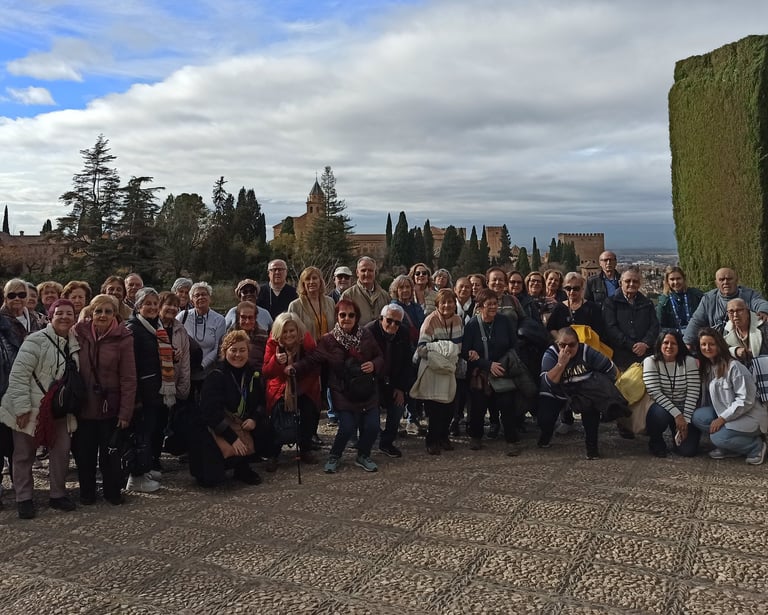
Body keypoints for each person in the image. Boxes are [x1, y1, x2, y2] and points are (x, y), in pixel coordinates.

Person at [0, 299, 80, 519]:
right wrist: (22, 408)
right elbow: (18, 376)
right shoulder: (35, 341)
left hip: (59, 409)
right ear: (50, 316)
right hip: (29, 405)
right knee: (24, 454)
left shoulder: (75, 343)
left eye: (69, 314)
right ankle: (24, 498)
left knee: (61, 452)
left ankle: (57, 493)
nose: (64, 317)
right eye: (59, 313)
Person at [291, 299, 384, 474]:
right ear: (337, 317)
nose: (347, 318)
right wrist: (294, 368)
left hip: (366, 390)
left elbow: (380, 356)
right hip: (342, 391)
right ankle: (335, 455)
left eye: (351, 315)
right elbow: (312, 358)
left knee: (372, 426)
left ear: (357, 317)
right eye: (342, 315)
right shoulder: (328, 340)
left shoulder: (366, 335)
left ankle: (363, 455)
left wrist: (374, 365)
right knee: (347, 427)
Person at [73, 294, 137, 504]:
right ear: (91, 312)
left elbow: (129, 378)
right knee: (85, 453)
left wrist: (125, 412)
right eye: (98, 311)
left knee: (110, 453)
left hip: (110, 405)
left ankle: (112, 491)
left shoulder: (123, 338)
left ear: (114, 314)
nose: (102, 315)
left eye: (108, 311)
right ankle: (87, 492)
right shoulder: (78, 332)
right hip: (83, 405)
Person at [189, 330, 265, 487]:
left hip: (242, 422)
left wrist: (254, 419)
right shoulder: (215, 376)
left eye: (242, 350)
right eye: (233, 350)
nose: (238, 355)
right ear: (225, 352)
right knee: (211, 480)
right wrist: (233, 438)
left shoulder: (252, 374)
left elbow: (261, 402)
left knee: (265, 427)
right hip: (217, 427)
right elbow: (210, 413)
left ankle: (242, 466)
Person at [538, 327, 626, 459]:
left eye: (572, 345)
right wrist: (561, 365)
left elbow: (610, 369)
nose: (567, 349)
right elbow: (547, 383)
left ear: (578, 343)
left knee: (591, 410)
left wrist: (598, 386)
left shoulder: (587, 351)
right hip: (557, 392)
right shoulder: (551, 354)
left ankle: (592, 449)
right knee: (545, 418)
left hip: (583, 391)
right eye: (562, 345)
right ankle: (545, 438)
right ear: (557, 344)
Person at [125, 288, 177, 492]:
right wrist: (135, 396)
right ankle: (136, 477)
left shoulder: (157, 327)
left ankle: (146, 469)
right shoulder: (133, 329)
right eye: (148, 303)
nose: (153, 307)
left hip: (156, 389)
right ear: (138, 306)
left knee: (152, 431)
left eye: (156, 304)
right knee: (141, 434)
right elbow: (131, 366)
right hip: (143, 391)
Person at [692, 327, 768, 464]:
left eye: (711, 344)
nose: (707, 348)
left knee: (717, 437)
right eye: (703, 344)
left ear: (719, 345)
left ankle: (756, 446)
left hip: (749, 415)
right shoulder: (708, 366)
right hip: (728, 413)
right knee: (698, 417)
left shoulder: (734, 367)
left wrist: (722, 419)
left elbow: (746, 400)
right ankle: (731, 446)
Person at [463, 288, 521, 455]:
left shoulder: (504, 321)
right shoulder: (473, 325)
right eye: (489, 304)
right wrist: (486, 365)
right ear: (480, 306)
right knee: (478, 407)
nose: (493, 307)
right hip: (481, 373)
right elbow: (466, 351)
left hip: (502, 370)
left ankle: (511, 439)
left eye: (495, 304)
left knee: (507, 405)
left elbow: (514, 345)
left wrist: (503, 364)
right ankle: (476, 436)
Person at [261, 313, 321, 470]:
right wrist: (276, 362)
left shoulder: (305, 339)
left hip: (304, 385)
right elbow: (266, 372)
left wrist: (296, 371)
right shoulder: (273, 342)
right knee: (276, 413)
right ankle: (273, 454)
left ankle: (306, 447)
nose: (288, 335)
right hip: (280, 386)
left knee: (308, 410)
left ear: (298, 330)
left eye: (291, 330)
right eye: (285, 331)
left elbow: (315, 364)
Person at [412, 288, 463, 454]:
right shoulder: (430, 321)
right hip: (433, 369)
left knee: (450, 407)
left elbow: (459, 345)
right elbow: (421, 348)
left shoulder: (457, 319)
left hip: (449, 369)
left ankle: (443, 436)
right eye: (443, 302)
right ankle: (432, 439)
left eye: (450, 302)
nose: (447, 305)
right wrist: (444, 352)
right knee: (435, 408)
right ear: (437, 305)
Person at [642, 330, 701, 457]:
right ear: (659, 344)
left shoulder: (689, 361)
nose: (669, 346)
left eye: (673, 343)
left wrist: (685, 419)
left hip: (685, 407)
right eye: (666, 343)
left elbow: (693, 391)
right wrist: (677, 415)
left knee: (687, 451)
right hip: (662, 407)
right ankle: (656, 441)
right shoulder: (650, 361)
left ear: (679, 345)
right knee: (657, 414)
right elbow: (654, 392)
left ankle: (678, 437)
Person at [367, 304, 413, 458]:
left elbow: (407, 363)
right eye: (389, 320)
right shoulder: (368, 332)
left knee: (398, 407)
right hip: (372, 381)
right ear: (381, 319)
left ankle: (386, 443)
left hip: (393, 380)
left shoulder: (404, 333)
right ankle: (363, 444)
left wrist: (401, 388)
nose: (393, 325)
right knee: (371, 419)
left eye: (397, 323)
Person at [684, 267, 768, 346]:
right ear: (716, 283)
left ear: (736, 280)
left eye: (729, 279)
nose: (725, 282)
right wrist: (687, 342)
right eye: (721, 280)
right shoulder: (708, 299)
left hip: (745, 342)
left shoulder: (749, 294)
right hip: (717, 345)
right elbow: (696, 321)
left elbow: (760, 303)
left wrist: (764, 311)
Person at [603, 267, 659, 370]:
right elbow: (611, 328)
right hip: (621, 357)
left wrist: (645, 343)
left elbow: (654, 326)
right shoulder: (611, 303)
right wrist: (631, 345)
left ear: (639, 284)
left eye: (635, 281)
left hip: (645, 355)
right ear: (620, 283)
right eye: (628, 281)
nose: (632, 284)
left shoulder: (647, 303)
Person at [389, 275, 425, 435]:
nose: (405, 290)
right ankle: (396, 422)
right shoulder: (393, 307)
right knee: (400, 387)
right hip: (400, 353)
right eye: (401, 287)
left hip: (417, 352)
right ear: (395, 290)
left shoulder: (416, 307)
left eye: (407, 287)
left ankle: (412, 419)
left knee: (414, 386)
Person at [177, 282, 227, 397]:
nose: (201, 297)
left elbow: (218, 347)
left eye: (204, 294)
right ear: (191, 300)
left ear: (210, 298)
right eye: (197, 295)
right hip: (184, 371)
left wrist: (202, 365)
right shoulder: (182, 316)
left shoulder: (219, 320)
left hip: (207, 372)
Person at [546, 272, 604, 337]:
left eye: (576, 288)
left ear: (582, 288)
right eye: (568, 288)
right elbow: (551, 328)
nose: (572, 291)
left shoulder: (592, 308)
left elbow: (598, 331)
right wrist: (561, 338)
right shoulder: (559, 308)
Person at [341, 256, 390, 326]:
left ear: (375, 273)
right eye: (363, 270)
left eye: (370, 270)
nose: (367, 274)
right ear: (357, 273)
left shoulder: (385, 296)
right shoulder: (348, 295)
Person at [656, 266, 704, 334]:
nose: (676, 282)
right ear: (667, 281)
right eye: (672, 279)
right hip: (674, 340)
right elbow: (660, 327)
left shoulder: (696, 295)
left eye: (678, 278)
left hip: (696, 337)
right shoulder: (663, 302)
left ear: (684, 279)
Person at [229, 300, 269, 372]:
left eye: (250, 317)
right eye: (243, 317)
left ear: (255, 317)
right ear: (238, 317)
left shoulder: (263, 335)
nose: (247, 321)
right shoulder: (229, 335)